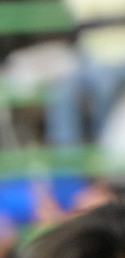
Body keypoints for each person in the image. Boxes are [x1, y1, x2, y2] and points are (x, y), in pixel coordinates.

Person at [53, 0, 125, 155]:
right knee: (62, 92)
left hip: (113, 59)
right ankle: (67, 158)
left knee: (104, 84)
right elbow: (81, 15)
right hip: (91, 56)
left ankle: (105, 154)